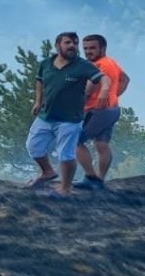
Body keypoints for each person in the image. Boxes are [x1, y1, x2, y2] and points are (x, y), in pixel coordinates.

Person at [24, 32, 108, 196]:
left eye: (75, 43)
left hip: (70, 120)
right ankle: (47, 172)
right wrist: (38, 101)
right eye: (68, 43)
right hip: (46, 116)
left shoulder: (82, 65)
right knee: (33, 146)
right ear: (57, 45)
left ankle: (65, 188)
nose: (72, 46)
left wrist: (104, 89)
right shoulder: (46, 63)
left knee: (66, 154)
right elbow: (39, 80)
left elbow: (104, 78)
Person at [74, 34, 129, 190]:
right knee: (101, 144)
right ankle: (99, 179)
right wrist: (114, 95)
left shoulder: (96, 66)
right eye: (85, 48)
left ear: (103, 48)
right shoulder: (111, 62)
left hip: (97, 111)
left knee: (75, 141)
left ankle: (91, 178)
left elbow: (88, 91)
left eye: (92, 48)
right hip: (112, 110)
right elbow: (125, 79)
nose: (88, 52)